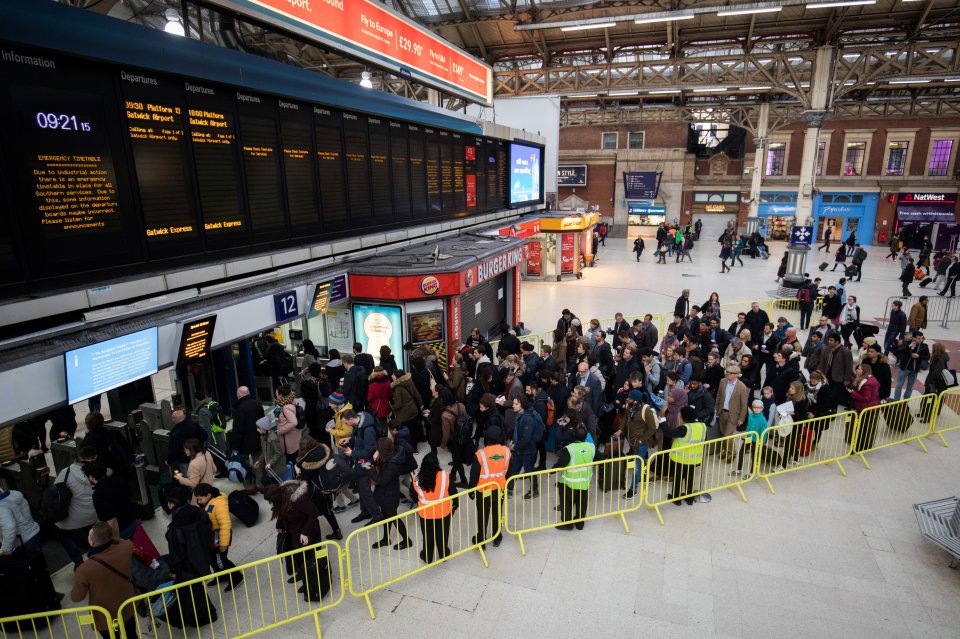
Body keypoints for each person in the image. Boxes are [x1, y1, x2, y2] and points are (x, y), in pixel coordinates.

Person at [70, 522, 137, 639]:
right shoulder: (127, 547)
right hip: (127, 606)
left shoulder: (84, 570)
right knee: (131, 634)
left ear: (91, 542)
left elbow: (76, 597)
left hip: (105, 616)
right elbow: (120, 541)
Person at [53, 445, 98, 568]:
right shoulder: (100, 469)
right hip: (95, 514)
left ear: (78, 457)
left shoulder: (66, 472)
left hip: (75, 517)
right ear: (95, 457)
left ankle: (78, 562)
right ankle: (97, 555)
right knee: (91, 532)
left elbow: (55, 489)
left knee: (61, 531)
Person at [194, 483, 242, 590]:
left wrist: (223, 544)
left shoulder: (219, 503)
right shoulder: (205, 502)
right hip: (210, 536)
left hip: (220, 536)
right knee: (212, 559)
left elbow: (225, 524)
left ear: (208, 495)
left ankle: (236, 577)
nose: (198, 502)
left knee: (221, 560)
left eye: (200, 499)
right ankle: (221, 576)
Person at [468, 425, 510, 547]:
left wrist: (471, 491)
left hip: (483, 491)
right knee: (497, 512)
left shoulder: (480, 454)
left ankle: (481, 539)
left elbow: (474, 476)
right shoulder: (507, 452)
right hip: (500, 489)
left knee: (482, 514)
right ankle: (497, 537)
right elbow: (510, 472)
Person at [339, 409, 381, 524]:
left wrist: (352, 454)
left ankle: (377, 515)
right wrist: (349, 439)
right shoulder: (359, 424)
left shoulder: (368, 430)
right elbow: (358, 439)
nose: (346, 425)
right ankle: (365, 512)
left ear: (352, 419)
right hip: (359, 462)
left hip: (365, 463)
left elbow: (369, 451)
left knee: (365, 490)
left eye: (346, 423)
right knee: (361, 489)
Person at [413, 453, 457, 564]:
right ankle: (443, 554)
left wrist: (420, 502)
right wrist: (456, 504)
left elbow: (413, 495)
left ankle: (427, 556)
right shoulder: (446, 476)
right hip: (443, 512)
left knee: (427, 536)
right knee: (442, 534)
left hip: (425, 513)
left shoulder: (416, 478)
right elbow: (453, 492)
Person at [164, 486, 212, 583]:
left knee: (194, 593)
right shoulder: (199, 511)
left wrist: (174, 570)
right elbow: (208, 529)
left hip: (188, 569)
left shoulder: (175, 527)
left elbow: (176, 553)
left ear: (172, 504)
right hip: (204, 557)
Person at [370, 438, 411, 550]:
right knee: (386, 517)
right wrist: (374, 461)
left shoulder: (393, 462)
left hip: (390, 495)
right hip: (385, 494)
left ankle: (407, 540)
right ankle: (385, 539)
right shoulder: (388, 457)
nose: (376, 450)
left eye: (378, 448)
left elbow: (382, 480)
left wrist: (370, 471)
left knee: (393, 518)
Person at [554, 425, 595, 530]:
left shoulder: (569, 448)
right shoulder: (591, 447)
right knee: (582, 503)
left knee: (566, 503)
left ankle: (567, 524)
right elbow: (600, 457)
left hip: (569, 483)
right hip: (585, 482)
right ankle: (580, 523)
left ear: (573, 437)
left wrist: (552, 470)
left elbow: (562, 463)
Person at [664, 406, 706, 505]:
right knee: (690, 478)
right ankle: (689, 498)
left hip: (681, 459)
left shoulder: (684, 428)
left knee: (678, 478)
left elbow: (669, 433)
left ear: (684, 417)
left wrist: (662, 422)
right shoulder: (702, 426)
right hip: (694, 458)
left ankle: (676, 499)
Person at [84, 461, 137, 540]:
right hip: (132, 521)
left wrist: (115, 539)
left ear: (91, 477)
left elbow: (111, 520)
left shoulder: (98, 495)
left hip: (121, 530)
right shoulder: (119, 479)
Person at [622, 389, 659, 498]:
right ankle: (642, 475)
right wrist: (620, 430)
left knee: (637, 466)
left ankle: (633, 489)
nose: (627, 399)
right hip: (632, 441)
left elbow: (652, 428)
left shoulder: (645, 410)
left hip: (642, 443)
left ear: (636, 401)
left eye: (630, 398)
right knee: (640, 463)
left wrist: (642, 440)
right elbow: (625, 419)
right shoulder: (630, 407)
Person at [508, 395, 542, 499]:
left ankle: (534, 491)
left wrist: (515, 447)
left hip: (527, 451)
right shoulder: (520, 415)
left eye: (516, 404)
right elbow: (518, 432)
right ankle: (509, 490)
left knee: (529, 471)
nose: (513, 405)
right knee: (513, 470)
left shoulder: (527, 418)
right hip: (520, 449)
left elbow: (526, 438)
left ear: (522, 405)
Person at [715, 365, 750, 462]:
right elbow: (719, 395)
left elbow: (744, 405)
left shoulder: (742, 387)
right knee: (723, 433)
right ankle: (725, 451)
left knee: (728, 434)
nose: (727, 375)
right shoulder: (723, 381)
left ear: (736, 375)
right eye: (727, 372)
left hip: (734, 415)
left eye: (730, 374)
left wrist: (741, 419)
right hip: (722, 412)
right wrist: (717, 409)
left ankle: (732, 453)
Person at [849, 364, 881, 452]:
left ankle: (858, 447)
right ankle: (864, 446)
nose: (857, 370)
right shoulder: (868, 380)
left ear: (864, 371)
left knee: (862, 429)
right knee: (866, 429)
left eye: (859, 369)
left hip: (867, 409)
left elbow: (866, 398)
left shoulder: (867, 384)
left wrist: (853, 393)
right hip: (869, 408)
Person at [166, 409, 207, 474]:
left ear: (173, 420)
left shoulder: (175, 433)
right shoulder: (194, 425)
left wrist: (169, 461)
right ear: (184, 417)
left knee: (189, 480)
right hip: (198, 456)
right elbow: (205, 436)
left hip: (185, 461)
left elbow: (173, 450)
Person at [254, 414, 290, 484]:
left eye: (258, 428)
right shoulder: (262, 437)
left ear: (264, 428)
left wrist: (270, 463)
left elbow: (278, 453)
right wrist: (259, 461)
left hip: (276, 467)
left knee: (274, 484)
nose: (257, 429)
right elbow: (264, 451)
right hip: (270, 466)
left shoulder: (272, 438)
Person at [893, 332, 929, 400]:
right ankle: (896, 401)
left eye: (922, 338)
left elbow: (927, 356)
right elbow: (898, 351)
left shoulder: (924, 346)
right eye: (918, 338)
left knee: (910, 387)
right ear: (913, 338)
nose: (920, 340)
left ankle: (906, 401)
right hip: (904, 368)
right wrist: (908, 347)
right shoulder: (907, 343)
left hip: (914, 369)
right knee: (899, 385)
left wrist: (919, 356)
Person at [390, 370, 424, 442]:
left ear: (397, 378)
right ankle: (418, 441)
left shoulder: (398, 389)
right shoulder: (408, 382)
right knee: (414, 427)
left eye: (393, 375)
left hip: (405, 413)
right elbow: (416, 394)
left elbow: (398, 404)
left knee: (408, 430)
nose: (391, 376)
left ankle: (413, 446)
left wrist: (392, 407)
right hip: (413, 408)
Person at [274, 384, 301, 464]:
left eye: (276, 393)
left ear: (281, 395)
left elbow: (294, 422)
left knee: (292, 461)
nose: (275, 395)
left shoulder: (286, 408)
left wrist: (279, 431)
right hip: (294, 438)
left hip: (289, 441)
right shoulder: (290, 400)